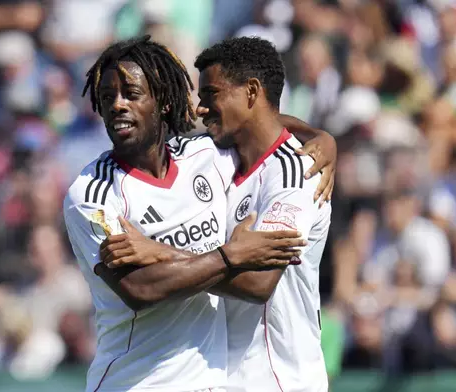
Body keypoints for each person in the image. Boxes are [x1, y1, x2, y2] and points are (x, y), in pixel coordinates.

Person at [64, 35, 336, 392]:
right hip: (136, 384)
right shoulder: (93, 193)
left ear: (162, 101)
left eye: (130, 94)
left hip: (229, 382)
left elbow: (258, 121)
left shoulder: (205, 157)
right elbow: (139, 288)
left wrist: (322, 136)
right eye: (106, 98)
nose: (116, 105)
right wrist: (230, 255)